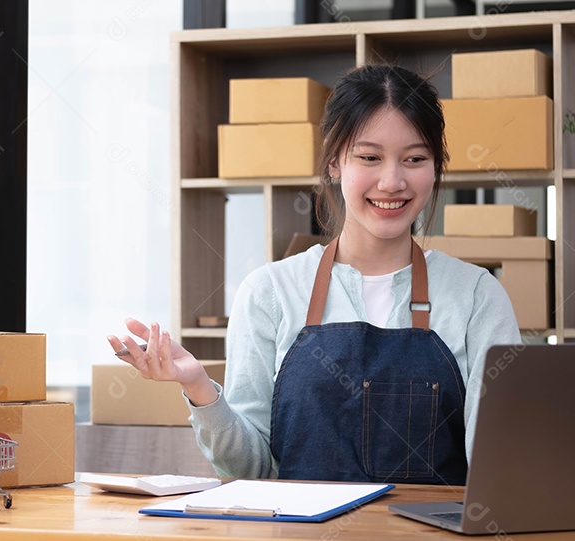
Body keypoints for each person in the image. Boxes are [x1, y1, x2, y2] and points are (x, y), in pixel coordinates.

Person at [107, 64, 520, 485]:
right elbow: (251, 471)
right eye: (369, 157)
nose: (392, 181)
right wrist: (199, 386)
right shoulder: (269, 293)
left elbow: (498, 471)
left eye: (414, 159)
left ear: (435, 167)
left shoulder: (477, 298)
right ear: (335, 161)